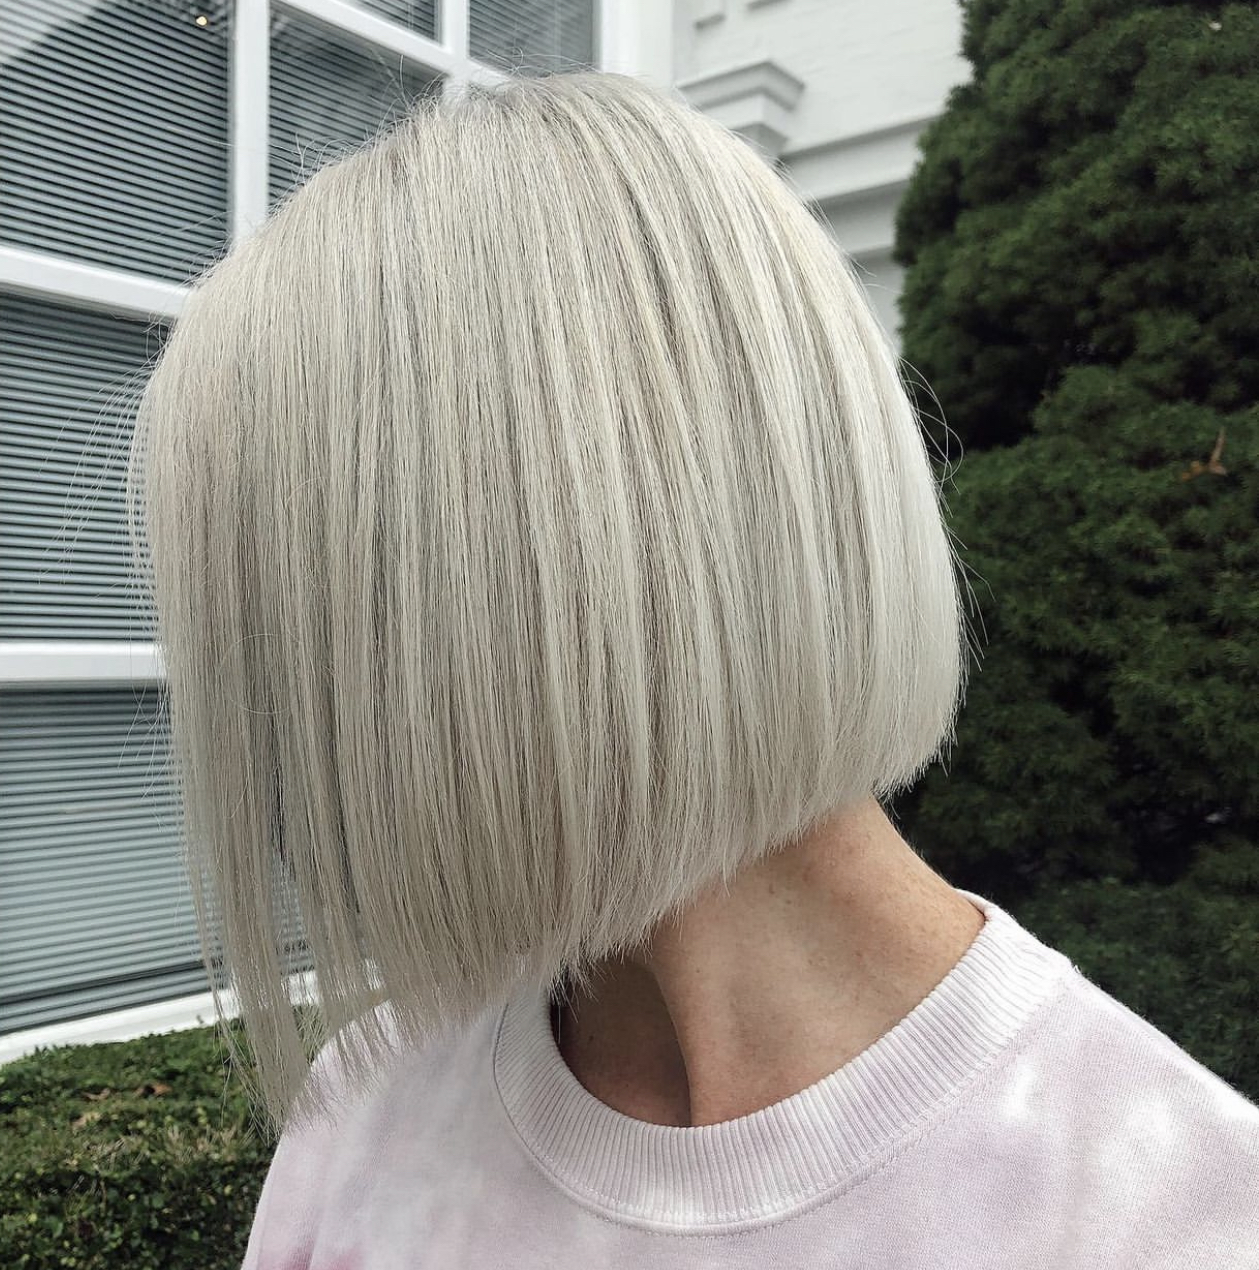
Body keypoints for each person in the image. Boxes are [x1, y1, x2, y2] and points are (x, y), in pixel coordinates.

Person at [129, 71, 1259, 1269]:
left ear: (475, 615)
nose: (287, 751)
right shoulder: (361, 1108)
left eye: (291, 657)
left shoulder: (1174, 1213)